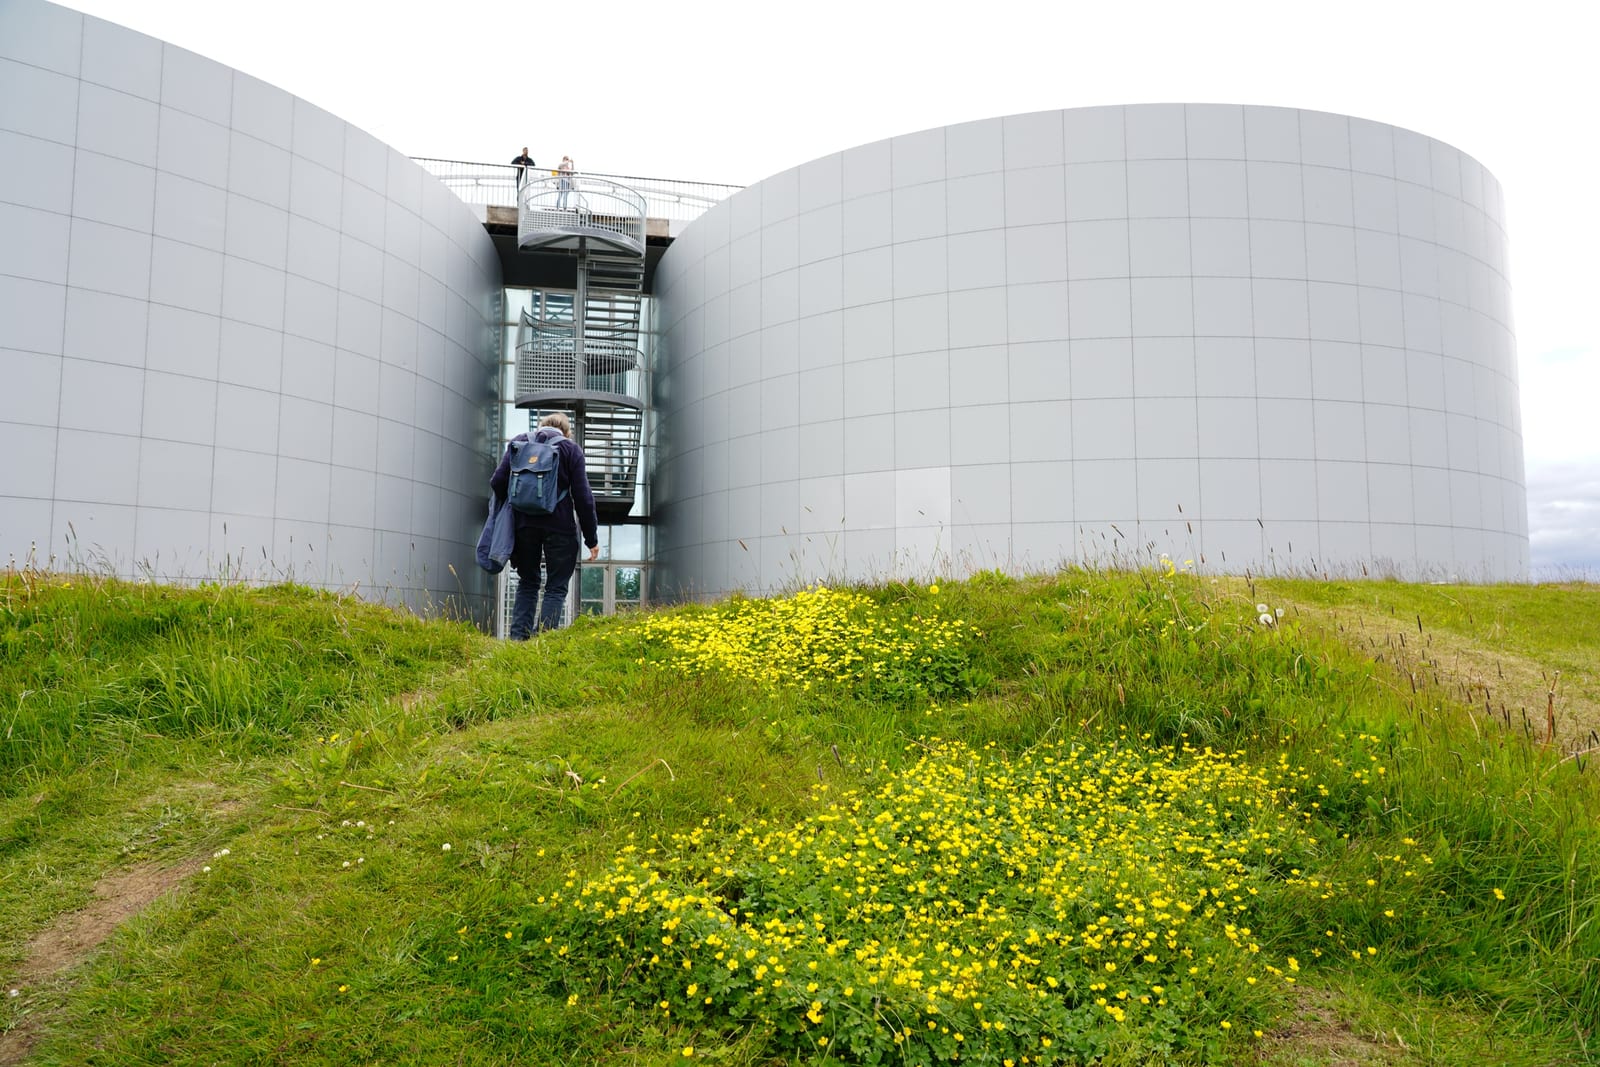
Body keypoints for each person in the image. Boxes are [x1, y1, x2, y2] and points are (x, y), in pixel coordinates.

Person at [489, 412, 600, 637]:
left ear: (541, 427)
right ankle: (544, 640)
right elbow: (584, 498)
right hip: (560, 528)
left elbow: (497, 482)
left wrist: (516, 506)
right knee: (556, 587)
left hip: (523, 527)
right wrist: (591, 539)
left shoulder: (519, 442)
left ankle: (518, 641)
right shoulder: (571, 449)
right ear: (567, 432)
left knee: (528, 582)